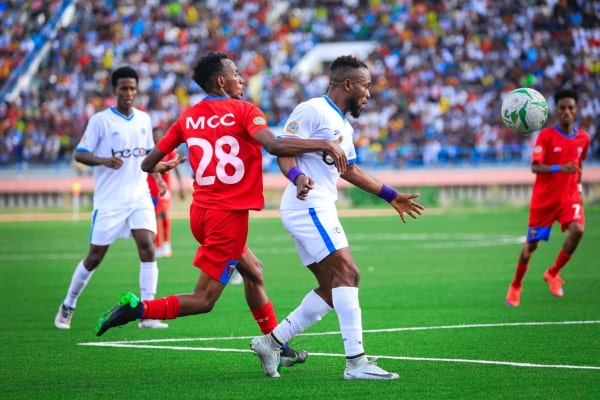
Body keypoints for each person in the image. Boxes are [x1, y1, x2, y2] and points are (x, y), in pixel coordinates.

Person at [93, 53, 347, 370]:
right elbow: (274, 145)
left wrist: (162, 167)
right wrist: (323, 143)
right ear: (221, 81)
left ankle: (276, 347)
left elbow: (146, 164)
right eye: (236, 73)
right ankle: (137, 309)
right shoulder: (245, 111)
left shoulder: (187, 118)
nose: (241, 79)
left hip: (200, 214)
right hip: (227, 217)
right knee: (204, 300)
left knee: (253, 271)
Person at [250, 55, 425, 380]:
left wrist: (390, 195)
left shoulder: (344, 125)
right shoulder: (313, 109)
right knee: (349, 273)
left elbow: (350, 169)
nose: (368, 94)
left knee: (332, 287)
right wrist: (298, 177)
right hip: (307, 204)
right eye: (365, 86)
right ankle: (356, 363)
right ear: (348, 84)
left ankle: (270, 342)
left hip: (316, 206)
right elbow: (282, 149)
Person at [54, 66, 168, 330]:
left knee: (148, 247)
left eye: (133, 88)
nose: (129, 93)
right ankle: (68, 304)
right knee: (94, 256)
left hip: (139, 196)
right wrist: (104, 160)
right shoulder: (100, 121)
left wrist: (159, 180)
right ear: (114, 90)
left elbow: (149, 155)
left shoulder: (144, 119)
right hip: (110, 202)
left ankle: (148, 313)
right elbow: (80, 153)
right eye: (124, 88)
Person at [505, 88, 590, 307]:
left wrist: (578, 189)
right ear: (555, 110)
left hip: (569, 197)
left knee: (578, 230)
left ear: (576, 110)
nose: (566, 112)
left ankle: (553, 272)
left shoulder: (583, 138)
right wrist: (559, 168)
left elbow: (579, 166)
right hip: (544, 201)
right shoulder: (546, 136)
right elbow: (535, 167)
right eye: (562, 108)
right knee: (531, 247)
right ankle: (516, 285)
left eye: (570, 108)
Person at [147, 128, 186, 258]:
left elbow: (177, 166)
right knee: (155, 216)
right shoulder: (149, 152)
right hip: (151, 189)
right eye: (154, 137)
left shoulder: (168, 151)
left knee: (163, 214)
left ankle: (166, 244)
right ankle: (158, 246)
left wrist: (180, 187)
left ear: (162, 137)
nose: (156, 139)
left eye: (157, 136)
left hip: (165, 189)